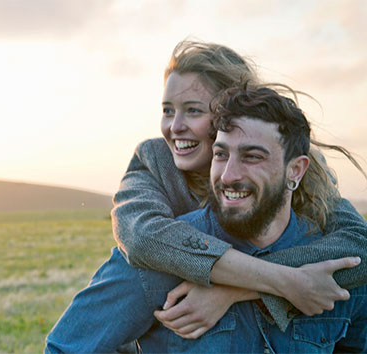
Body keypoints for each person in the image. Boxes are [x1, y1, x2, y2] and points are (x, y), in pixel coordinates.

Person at [44, 41, 367, 353]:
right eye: (167, 110)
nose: (175, 126)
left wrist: (233, 290)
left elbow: (360, 248)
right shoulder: (154, 163)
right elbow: (142, 238)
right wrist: (284, 282)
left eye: (194, 110)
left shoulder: (306, 177)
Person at [132, 85, 367, 352]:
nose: (229, 175)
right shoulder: (157, 264)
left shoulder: (336, 269)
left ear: (296, 170)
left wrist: (234, 290)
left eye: (252, 157)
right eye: (221, 154)